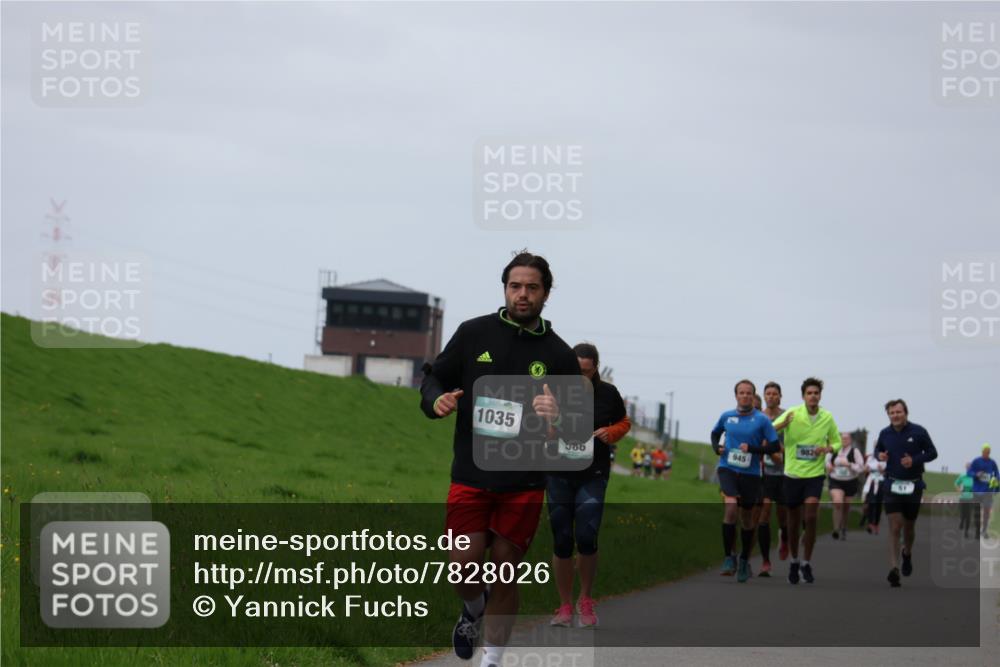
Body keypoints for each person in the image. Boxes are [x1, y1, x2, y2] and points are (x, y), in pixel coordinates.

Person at [420, 251, 581, 666]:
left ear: (546, 293)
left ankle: (491, 660)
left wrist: (559, 418)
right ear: (505, 288)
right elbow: (434, 376)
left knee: (504, 570)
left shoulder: (560, 356)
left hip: (523, 482)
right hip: (471, 475)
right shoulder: (474, 334)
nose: (522, 294)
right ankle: (472, 609)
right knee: (463, 568)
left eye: (532, 287)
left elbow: (575, 436)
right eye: (515, 286)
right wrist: (436, 399)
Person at [547, 343, 630, 629]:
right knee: (561, 540)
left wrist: (612, 432)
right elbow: (537, 424)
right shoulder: (555, 389)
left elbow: (623, 421)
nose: (580, 375)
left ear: (595, 367)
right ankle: (564, 605)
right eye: (575, 369)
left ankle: (585, 598)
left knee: (586, 535)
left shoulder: (608, 393)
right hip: (558, 472)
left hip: (592, 473)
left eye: (585, 370)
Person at [711, 379, 781, 583]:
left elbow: (774, 447)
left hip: (751, 473)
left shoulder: (762, 420)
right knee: (731, 508)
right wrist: (717, 448)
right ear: (736, 396)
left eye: (748, 393)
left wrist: (753, 449)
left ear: (753, 396)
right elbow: (715, 434)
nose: (745, 396)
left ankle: (743, 560)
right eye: (741, 393)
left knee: (748, 519)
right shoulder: (727, 416)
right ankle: (728, 558)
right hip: (727, 468)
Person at [775, 377, 842, 585]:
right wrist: (783, 424)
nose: (813, 396)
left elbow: (837, 441)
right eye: (809, 393)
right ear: (803, 396)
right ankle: (794, 561)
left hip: (814, 474)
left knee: (811, 515)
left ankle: (806, 562)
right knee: (793, 523)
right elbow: (769, 429)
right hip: (793, 474)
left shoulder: (827, 417)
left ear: (820, 396)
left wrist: (828, 448)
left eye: (816, 393)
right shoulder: (793, 413)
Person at [874, 398, 938, 588]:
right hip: (892, 484)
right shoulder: (884, 433)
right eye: (892, 413)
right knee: (895, 526)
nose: (895, 416)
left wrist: (915, 460)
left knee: (909, 527)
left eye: (898, 412)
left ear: (905, 413)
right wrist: (880, 455)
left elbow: (933, 453)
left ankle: (907, 553)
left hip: (913, 485)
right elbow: (878, 449)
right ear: (889, 415)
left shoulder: (919, 431)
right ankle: (894, 568)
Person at [755, 381, 789, 574]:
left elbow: (793, 444)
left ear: (780, 396)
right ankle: (766, 561)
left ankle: (784, 536)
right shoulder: (758, 417)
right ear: (764, 396)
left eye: (775, 394)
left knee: (782, 515)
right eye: (768, 394)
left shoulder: (788, 417)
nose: (771, 397)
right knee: (764, 513)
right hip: (765, 472)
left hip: (784, 471)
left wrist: (779, 452)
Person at [826, 432, 865, 540]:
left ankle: (844, 527)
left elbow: (861, 468)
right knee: (838, 502)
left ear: (850, 440)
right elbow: (826, 461)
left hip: (850, 481)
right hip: (836, 480)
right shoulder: (833, 449)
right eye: (842, 438)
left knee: (846, 507)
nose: (844, 440)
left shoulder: (855, 451)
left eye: (846, 438)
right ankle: (836, 529)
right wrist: (829, 466)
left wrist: (849, 465)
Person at [969, 443, 999, 540]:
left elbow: (997, 474)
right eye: (986, 451)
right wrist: (976, 474)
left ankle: (984, 531)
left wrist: (996, 479)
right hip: (977, 490)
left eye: (989, 451)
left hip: (987, 491)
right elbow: (969, 472)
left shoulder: (992, 462)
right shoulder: (976, 461)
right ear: (982, 452)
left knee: (987, 512)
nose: (987, 453)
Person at [861, 451, 886, 534]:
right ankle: (870, 522)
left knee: (878, 505)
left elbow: (889, 473)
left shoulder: (887, 458)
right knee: (870, 504)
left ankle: (876, 524)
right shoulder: (871, 458)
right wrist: (866, 469)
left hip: (881, 483)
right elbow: (864, 470)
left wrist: (882, 471)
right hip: (870, 483)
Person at [955, 463, 975, 539]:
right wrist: (959, 490)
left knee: (969, 516)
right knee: (963, 514)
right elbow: (956, 483)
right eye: (968, 468)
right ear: (966, 469)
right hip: (963, 498)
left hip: (971, 499)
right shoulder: (962, 476)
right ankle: (962, 521)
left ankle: (966, 532)